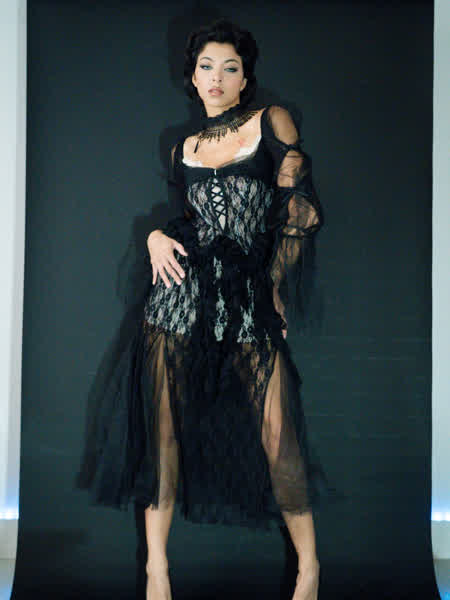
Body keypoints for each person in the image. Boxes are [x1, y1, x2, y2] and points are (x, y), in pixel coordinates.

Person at [77, 17, 338, 600]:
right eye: (206, 67)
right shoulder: (181, 149)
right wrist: (153, 238)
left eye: (230, 68)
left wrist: (272, 283)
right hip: (179, 301)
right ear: (192, 78)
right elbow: (188, 224)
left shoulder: (271, 122)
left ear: (245, 79)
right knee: (163, 432)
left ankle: (310, 571)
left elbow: (299, 211)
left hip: (245, 300)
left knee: (278, 434)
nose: (216, 77)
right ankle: (157, 573)